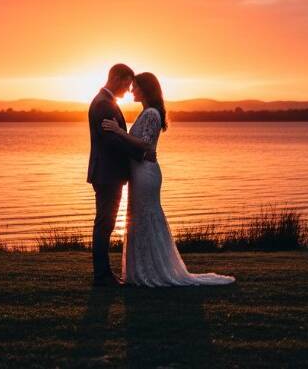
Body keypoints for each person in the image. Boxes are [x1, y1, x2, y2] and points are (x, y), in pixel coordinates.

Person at [102, 72, 235, 287]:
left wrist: (118, 131)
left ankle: (155, 271)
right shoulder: (145, 112)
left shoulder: (152, 113)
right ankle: (141, 270)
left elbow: (145, 144)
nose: (131, 90)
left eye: (135, 87)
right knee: (139, 218)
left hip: (146, 173)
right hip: (139, 171)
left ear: (145, 89)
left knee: (147, 217)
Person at [86, 63, 154, 287]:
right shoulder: (103, 105)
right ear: (116, 77)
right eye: (126, 83)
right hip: (107, 174)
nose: (128, 89)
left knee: (106, 222)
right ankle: (102, 275)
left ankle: (104, 273)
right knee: (105, 223)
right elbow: (111, 140)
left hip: (108, 173)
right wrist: (140, 151)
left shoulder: (106, 102)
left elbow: (116, 137)